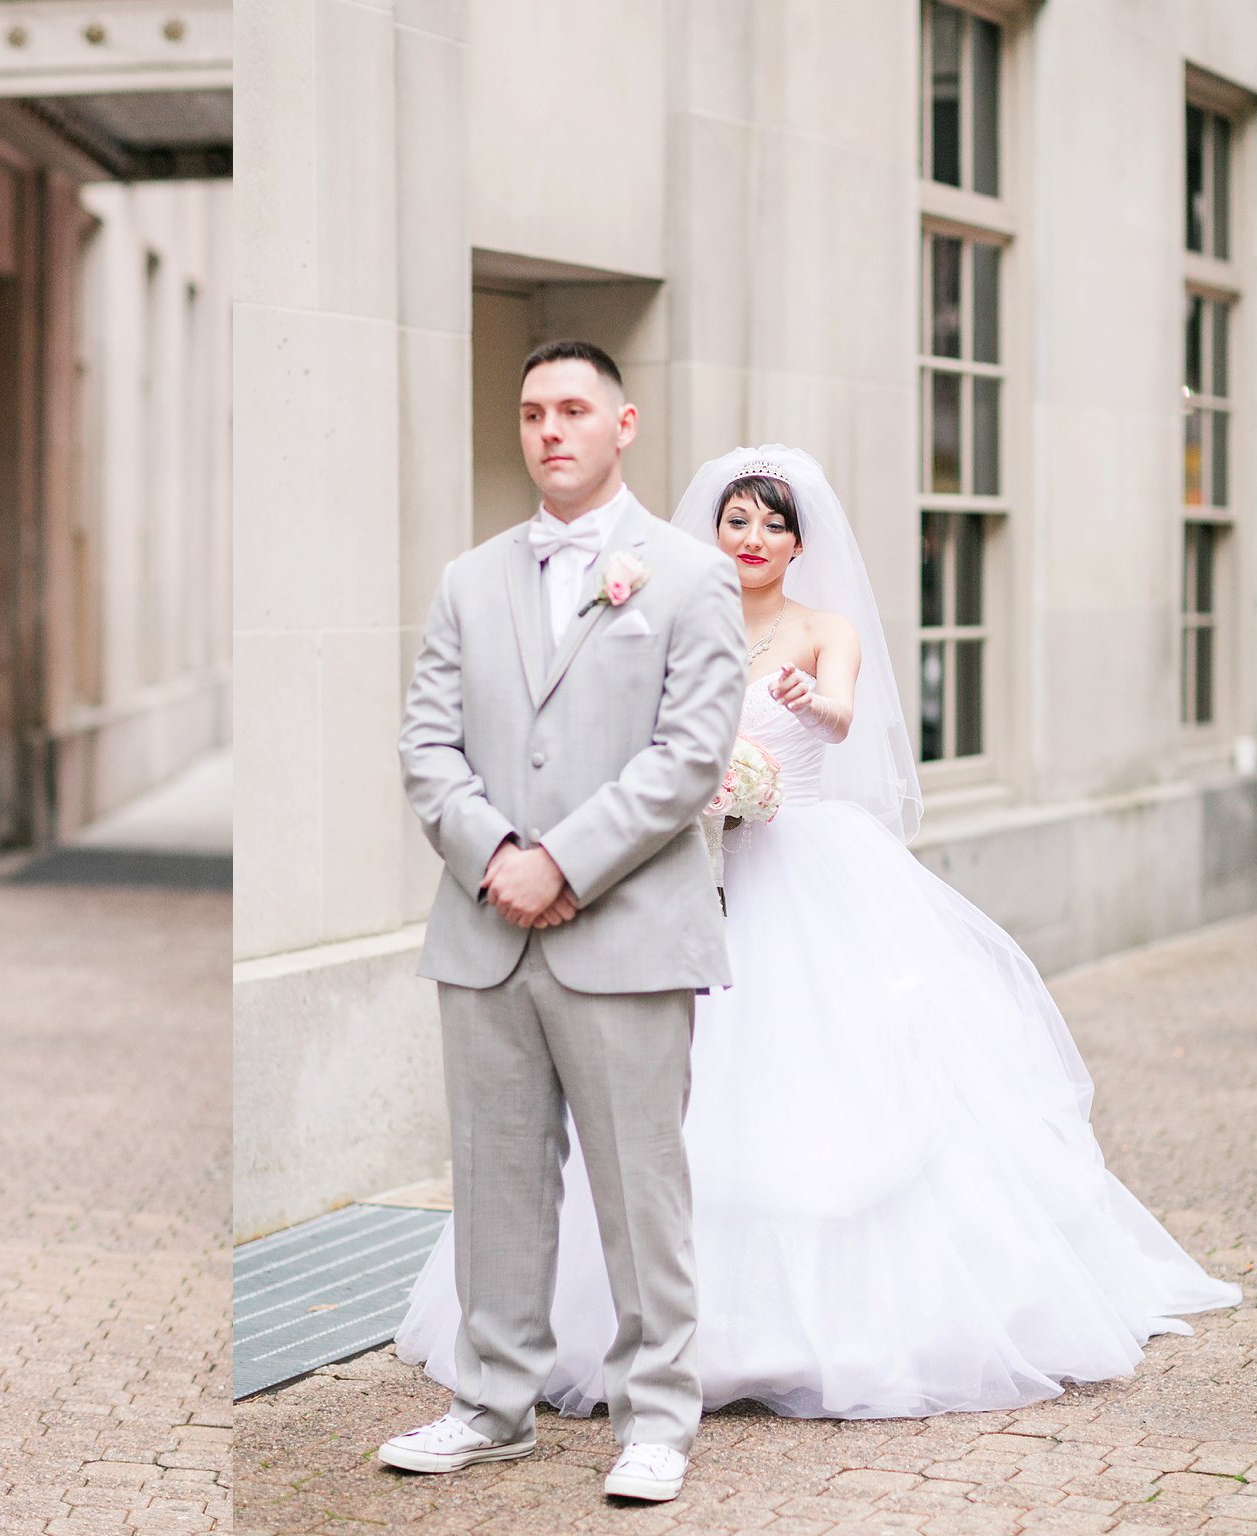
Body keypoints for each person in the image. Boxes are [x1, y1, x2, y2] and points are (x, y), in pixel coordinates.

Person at [396, 442, 1241, 1425]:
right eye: (736, 521)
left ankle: (796, 1328)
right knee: (649, 1094)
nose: (752, 539)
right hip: (676, 876)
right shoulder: (664, 611)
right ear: (711, 531)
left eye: (772, 524)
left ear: (799, 542)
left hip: (795, 867)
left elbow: (844, 720)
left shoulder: (821, 628)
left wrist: (808, 708)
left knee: (804, 1085)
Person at [383, 341, 748, 1502]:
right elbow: (424, 743)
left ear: (623, 423)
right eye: (532, 411)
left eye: (573, 410)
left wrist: (562, 863)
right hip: (484, 932)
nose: (549, 430)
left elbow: (687, 758)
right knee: (492, 1176)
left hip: (626, 933)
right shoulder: (466, 578)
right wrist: (494, 854)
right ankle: (491, 1403)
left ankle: (655, 1417)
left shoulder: (688, 578)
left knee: (640, 1188)